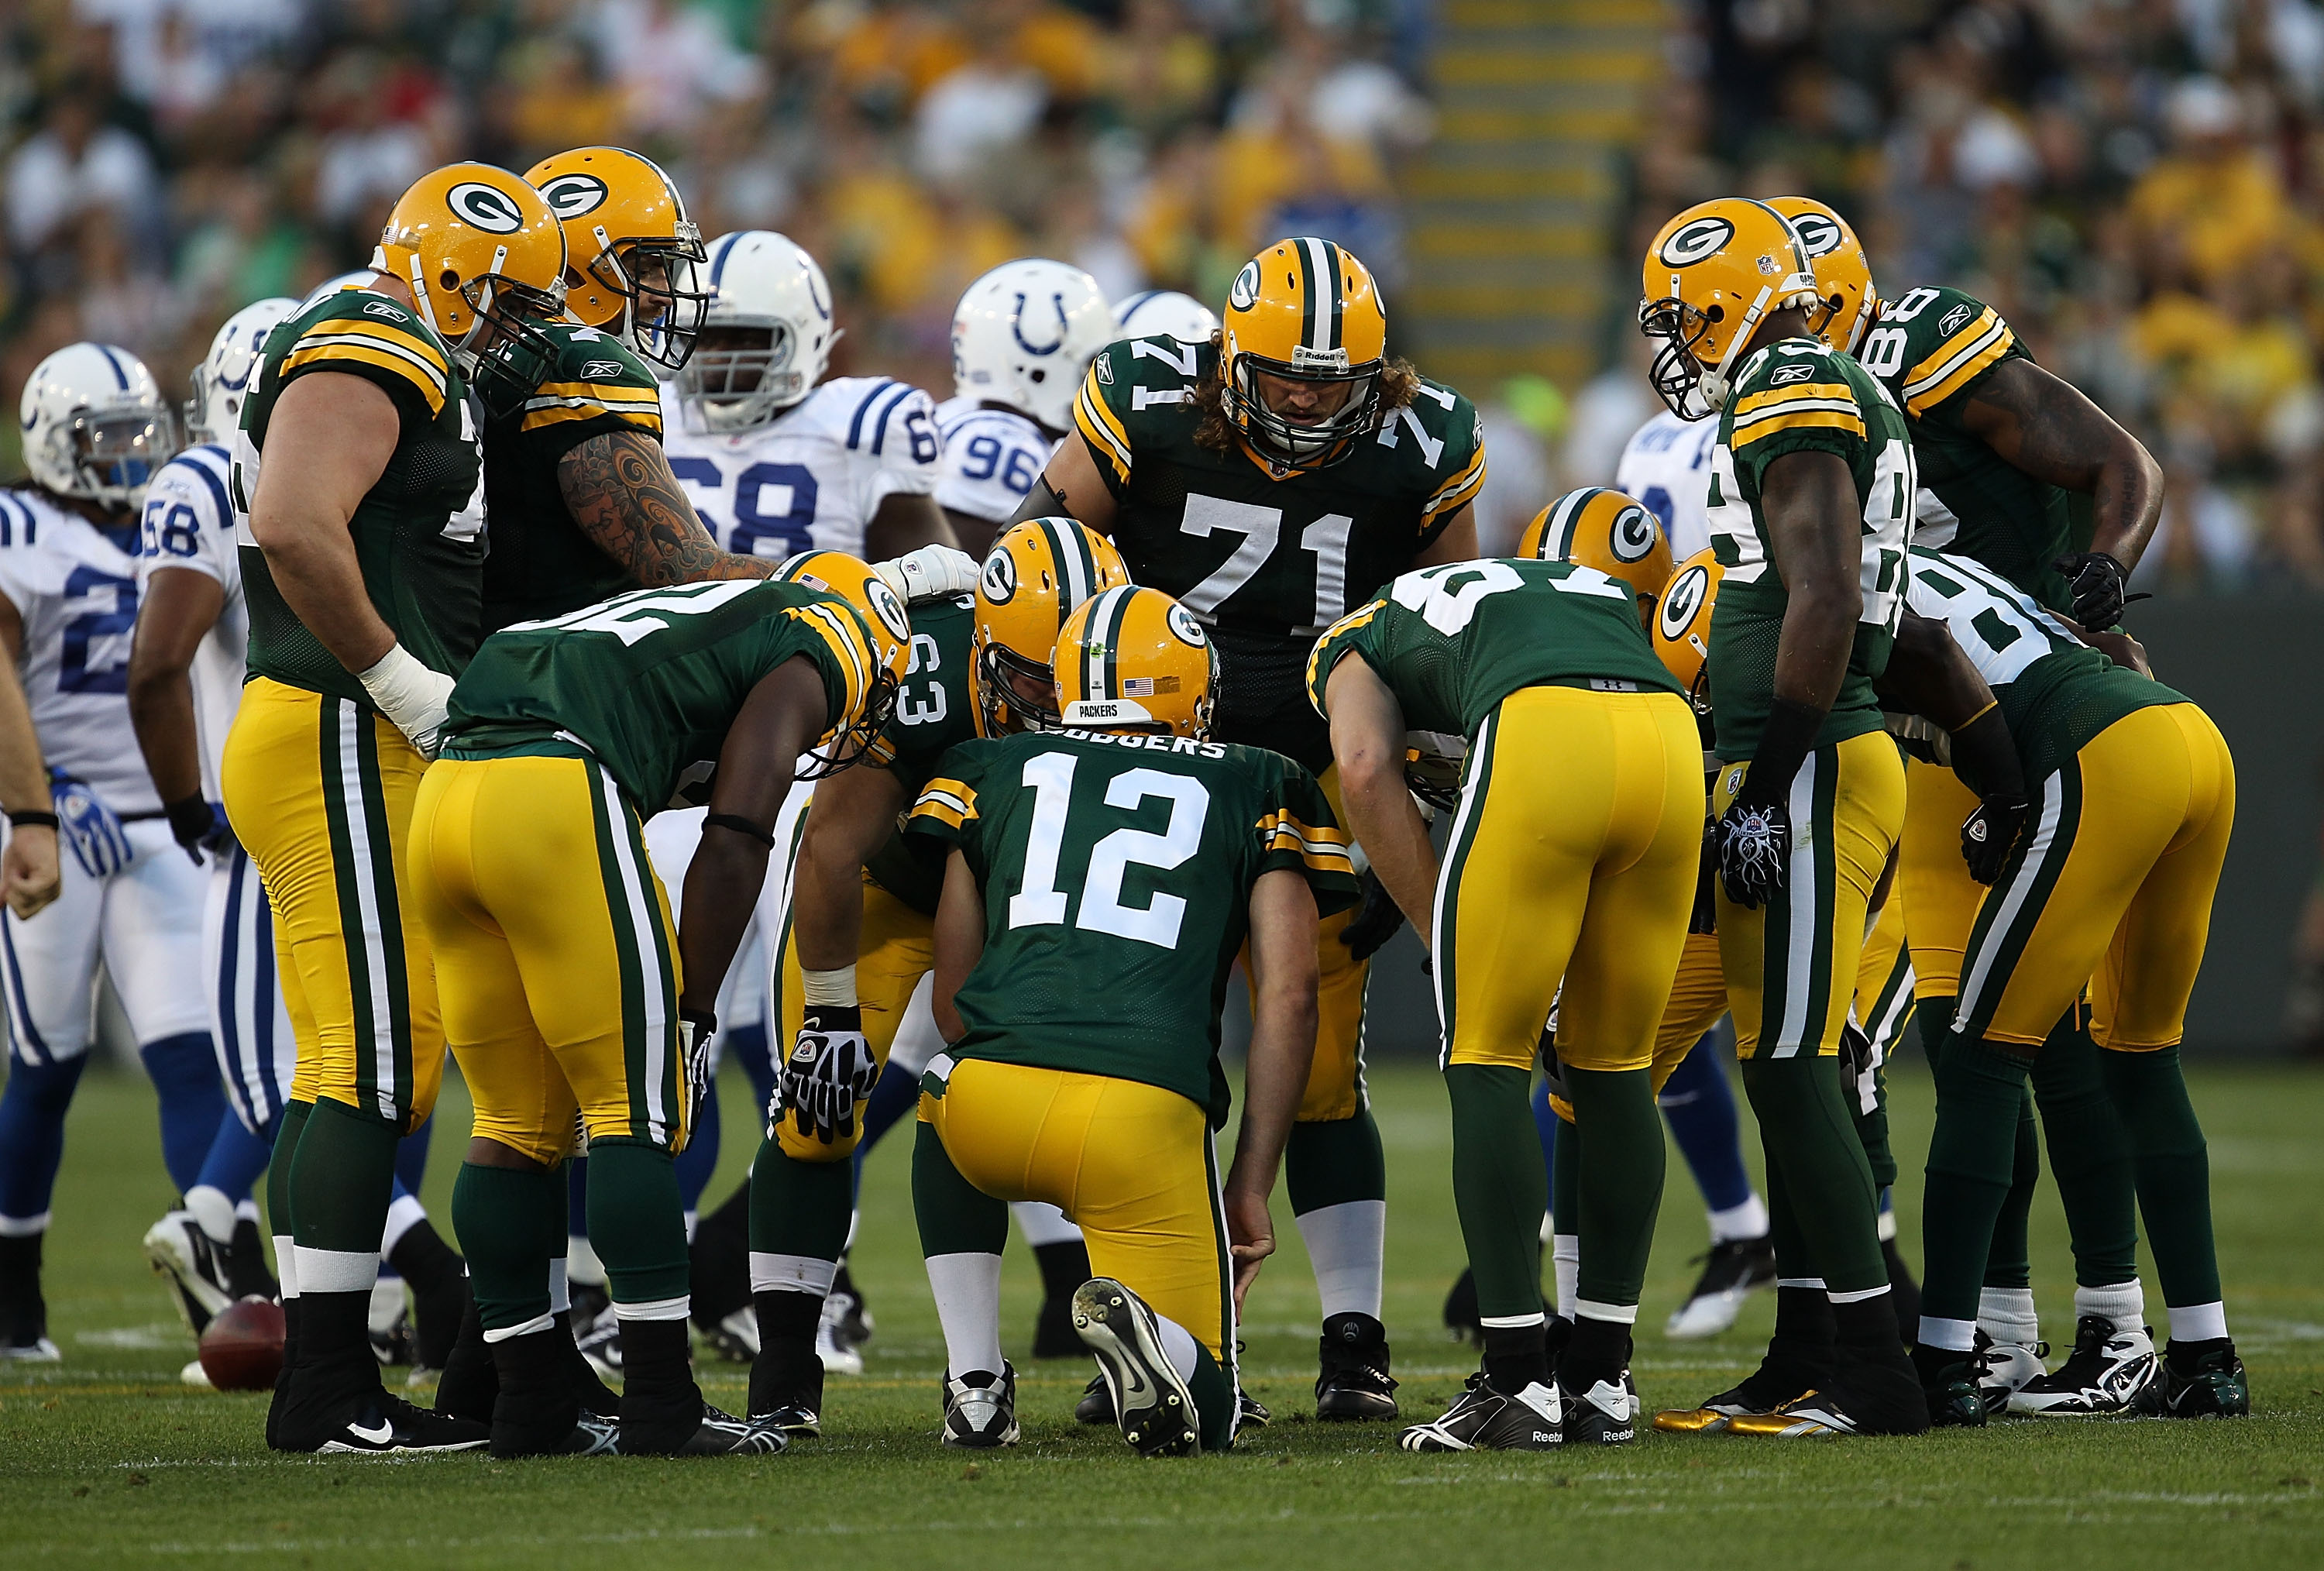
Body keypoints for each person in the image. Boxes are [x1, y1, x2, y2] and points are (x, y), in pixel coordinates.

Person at [1025, 236, 1487, 1419]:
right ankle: (1160, 1329)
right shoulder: (1146, 399)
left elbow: (1444, 629)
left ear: (1374, 378)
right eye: (1282, 373)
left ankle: (1354, 1340)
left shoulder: (1424, 444)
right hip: (1158, 750)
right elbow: (1038, 566)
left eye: (1331, 382)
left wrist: (1419, 801)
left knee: (1325, 1058)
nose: (1302, 397)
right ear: (1230, 354)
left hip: (1324, 760)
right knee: (1147, 1054)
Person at [1776, 195, 2172, 1415]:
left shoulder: (1918, 347)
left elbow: (2122, 460)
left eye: (1771, 315)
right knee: (1971, 1039)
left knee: (2065, 1039)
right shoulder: (1778, 413)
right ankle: (2002, 1332)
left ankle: (2116, 1327)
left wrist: (2103, 574)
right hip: (1937, 736)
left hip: (2045, 703)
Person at [411, 558, 909, 1456]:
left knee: (513, 1122)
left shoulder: (693, 617)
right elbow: (736, 835)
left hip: (446, 793)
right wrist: (693, 1012)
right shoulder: (834, 638)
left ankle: (524, 1401)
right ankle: (659, 1401)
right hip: (551, 787)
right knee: (633, 1110)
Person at [222, 162, 562, 1456]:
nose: (521, 330)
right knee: (367, 1064)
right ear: (455, 270)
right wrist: (398, 675)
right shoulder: (375, 336)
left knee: (367, 1059)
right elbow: (296, 521)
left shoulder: (406, 339)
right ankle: (325, 1385)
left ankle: (331, 1370)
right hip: (339, 723)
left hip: (340, 726)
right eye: (513, 302)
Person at [906, 583, 1359, 1455]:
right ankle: (1161, 1340)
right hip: (1142, 1118)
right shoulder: (1260, 780)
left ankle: (974, 1385)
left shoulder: (986, 768)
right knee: (1212, 1412)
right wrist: (1252, 1183)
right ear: (1197, 688)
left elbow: (953, 996)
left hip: (989, 1103)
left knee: (939, 1082)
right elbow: (1292, 996)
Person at [127, 298, 473, 1384]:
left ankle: (339, 1321)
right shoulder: (277, 449)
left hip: (315, 747)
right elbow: (166, 655)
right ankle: (347, 1333)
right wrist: (185, 807)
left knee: (363, 1063)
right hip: (317, 740)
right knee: (333, 1069)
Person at [1632, 196, 1927, 1438]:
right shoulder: (1796, 380)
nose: (1669, 344)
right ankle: (1807, 1349)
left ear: (1719, 296)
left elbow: (1823, 593)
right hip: (1801, 756)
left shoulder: (1795, 376)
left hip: (1808, 760)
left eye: (1674, 317)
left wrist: (1763, 786)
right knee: (1777, 1065)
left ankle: (1873, 1367)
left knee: (1799, 1068)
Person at [1310, 517, 1702, 1449]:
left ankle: (1517, 1377)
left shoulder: (1348, 639)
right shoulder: (1574, 588)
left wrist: (1432, 920)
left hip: (1544, 738)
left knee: (1486, 1054)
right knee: (1613, 1067)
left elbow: (1366, 769)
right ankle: (1603, 1374)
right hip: (1667, 745)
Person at [741, 521, 1125, 1439]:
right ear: (989, 646)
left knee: (1083, 1108)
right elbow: (833, 846)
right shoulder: (921, 674)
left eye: (1082, 672)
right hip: (890, 881)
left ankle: (1112, 1351)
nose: (1064, 698)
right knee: (815, 1114)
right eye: (1038, 674)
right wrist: (831, 1010)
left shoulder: (1138, 666)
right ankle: (786, 1370)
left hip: (1031, 898)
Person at [1896, 547, 2245, 1424]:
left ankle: (1942, 1362)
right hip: (2188, 735)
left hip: (2099, 757)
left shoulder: (1829, 582)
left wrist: (2008, 802)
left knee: (1981, 1060)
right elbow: (2118, 652)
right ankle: (2206, 1358)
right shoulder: (1956, 566)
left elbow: (1936, 660)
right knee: (2139, 1055)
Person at [0, 342, 218, 1365]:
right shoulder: (20, 529)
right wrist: (37, 800)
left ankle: (218, 1263)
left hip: (161, 822)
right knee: (48, 1064)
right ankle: (12, 1294)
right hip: (56, 824)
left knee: (191, 1055)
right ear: (55, 443)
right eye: (110, 439)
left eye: (144, 434)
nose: (134, 457)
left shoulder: (174, 519)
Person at [933, 260, 1116, 558]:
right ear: (1039, 367)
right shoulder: (1002, 445)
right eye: (1090, 365)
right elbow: (977, 580)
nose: (1100, 379)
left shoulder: (954, 418)